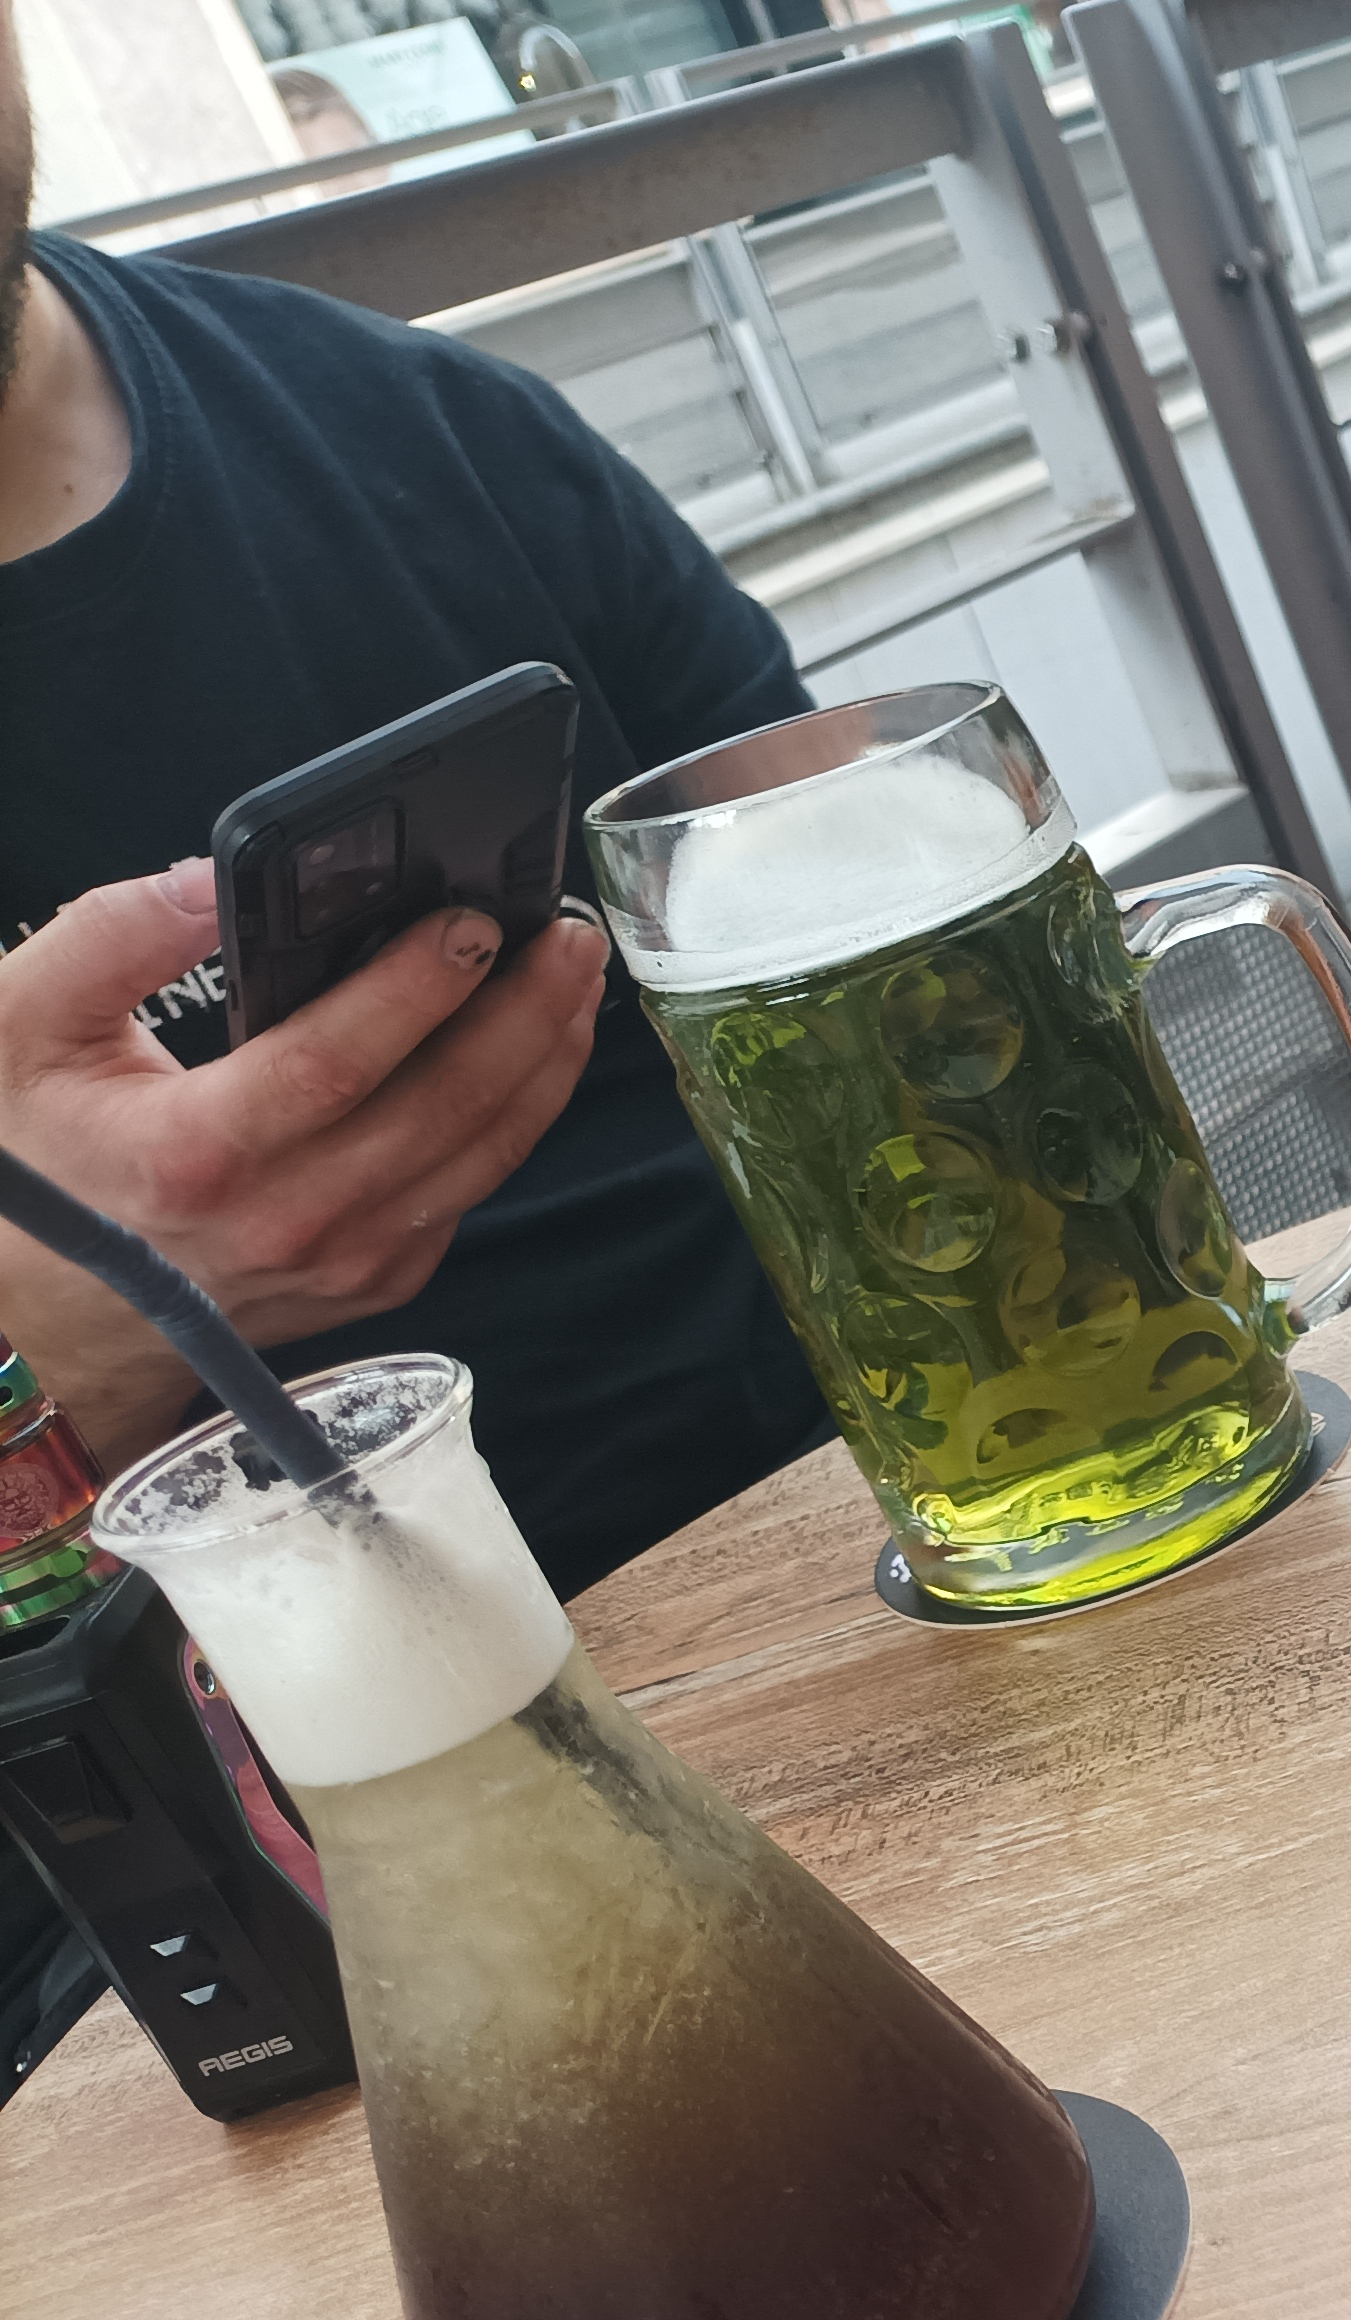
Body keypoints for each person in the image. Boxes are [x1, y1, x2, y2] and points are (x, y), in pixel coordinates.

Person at [0, 9, 831, 1607]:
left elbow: (872, 950)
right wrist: (55, 1357)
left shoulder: (433, 432)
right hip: (245, 1745)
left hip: (866, 1527)